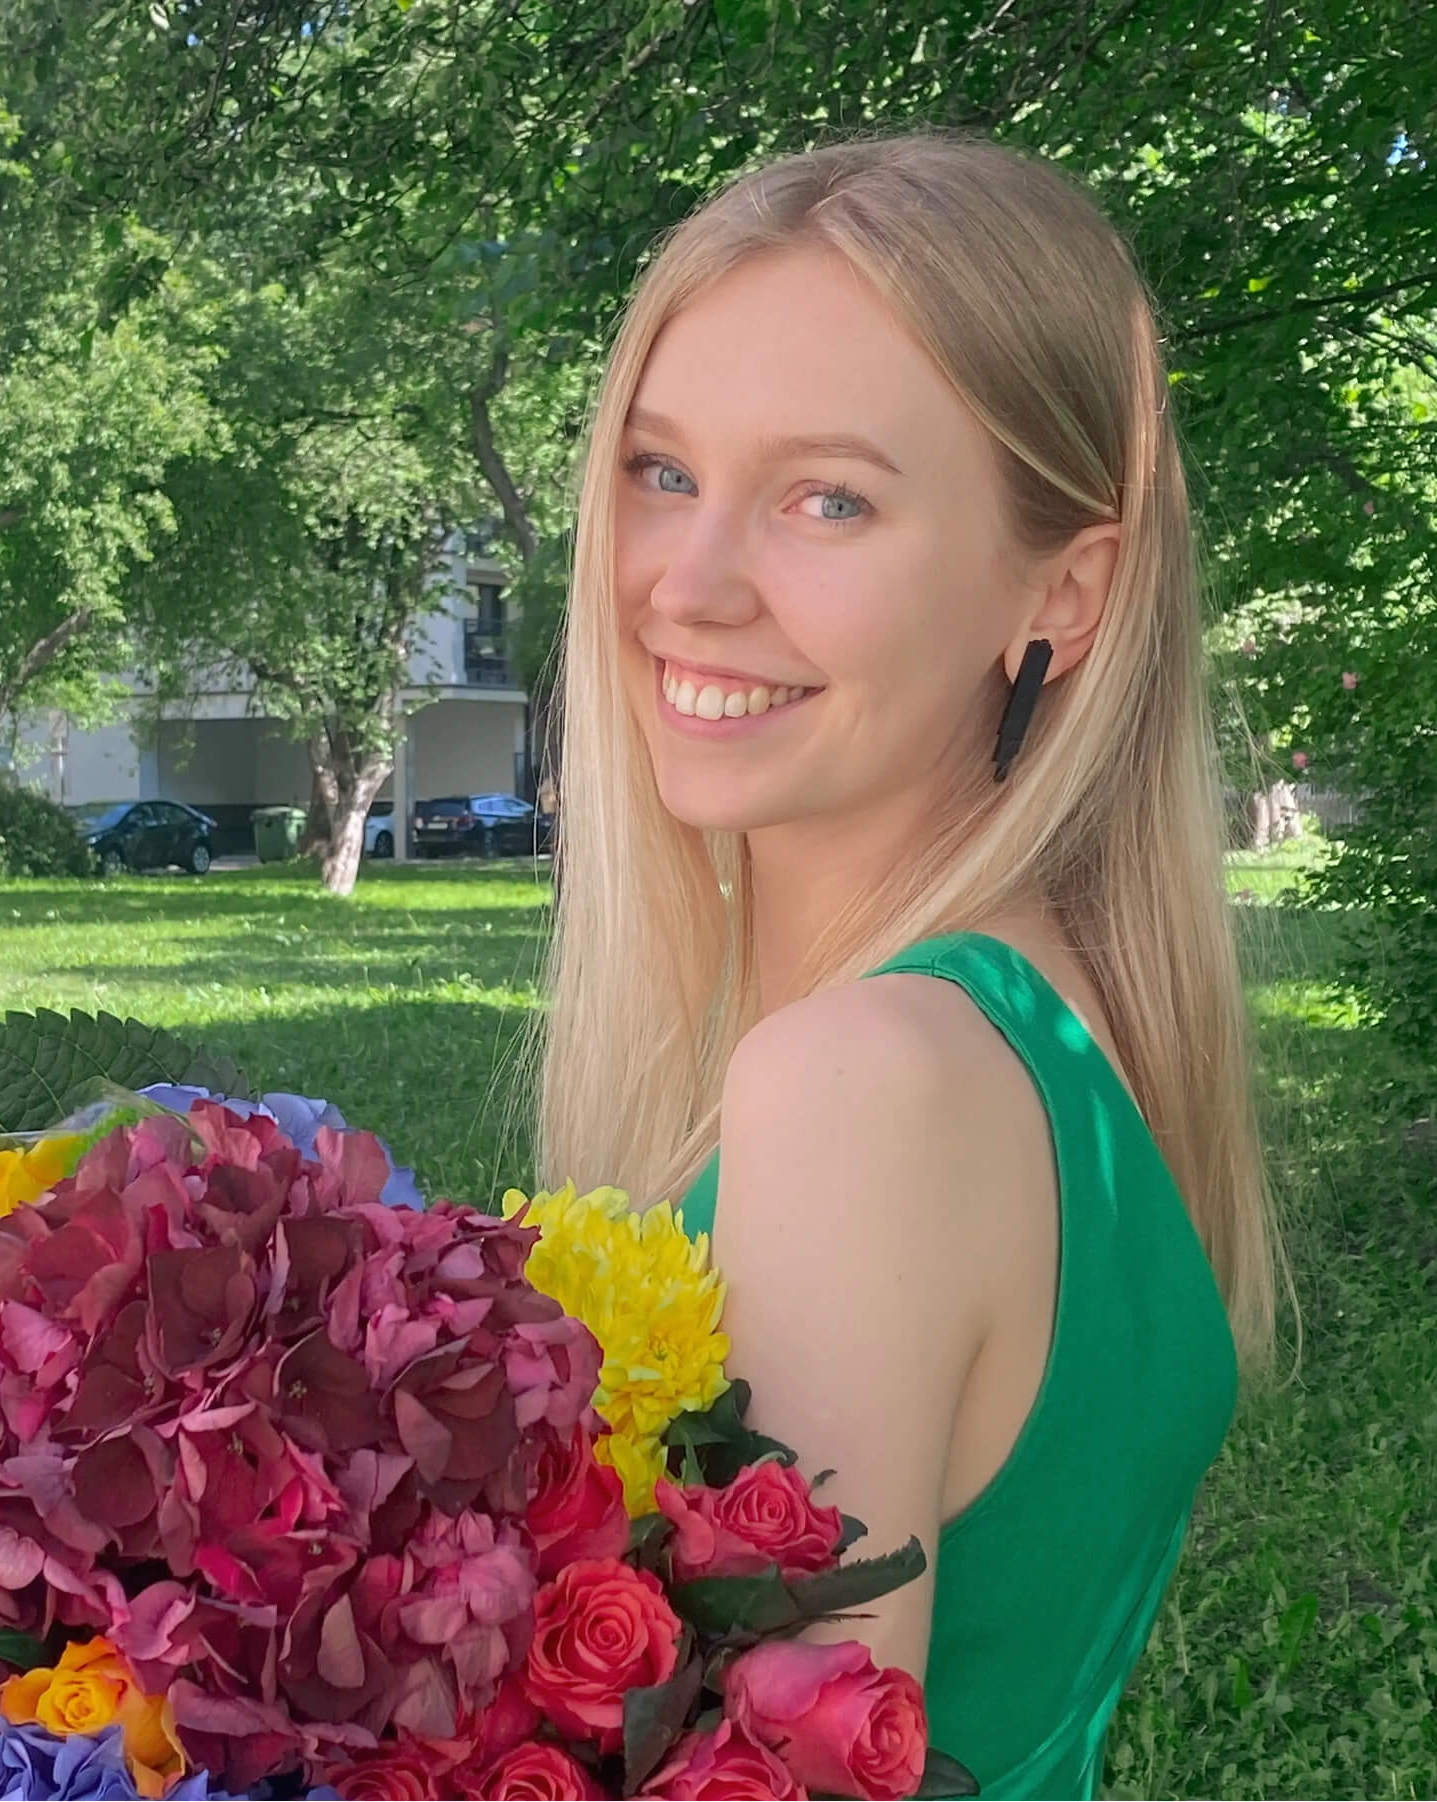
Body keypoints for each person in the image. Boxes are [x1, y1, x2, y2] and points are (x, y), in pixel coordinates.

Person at [535, 132, 1288, 1800]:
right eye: (662, 470)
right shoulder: (1069, 1027)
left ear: (1063, 593)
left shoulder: (863, 1087)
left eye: (829, 498)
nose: (691, 580)